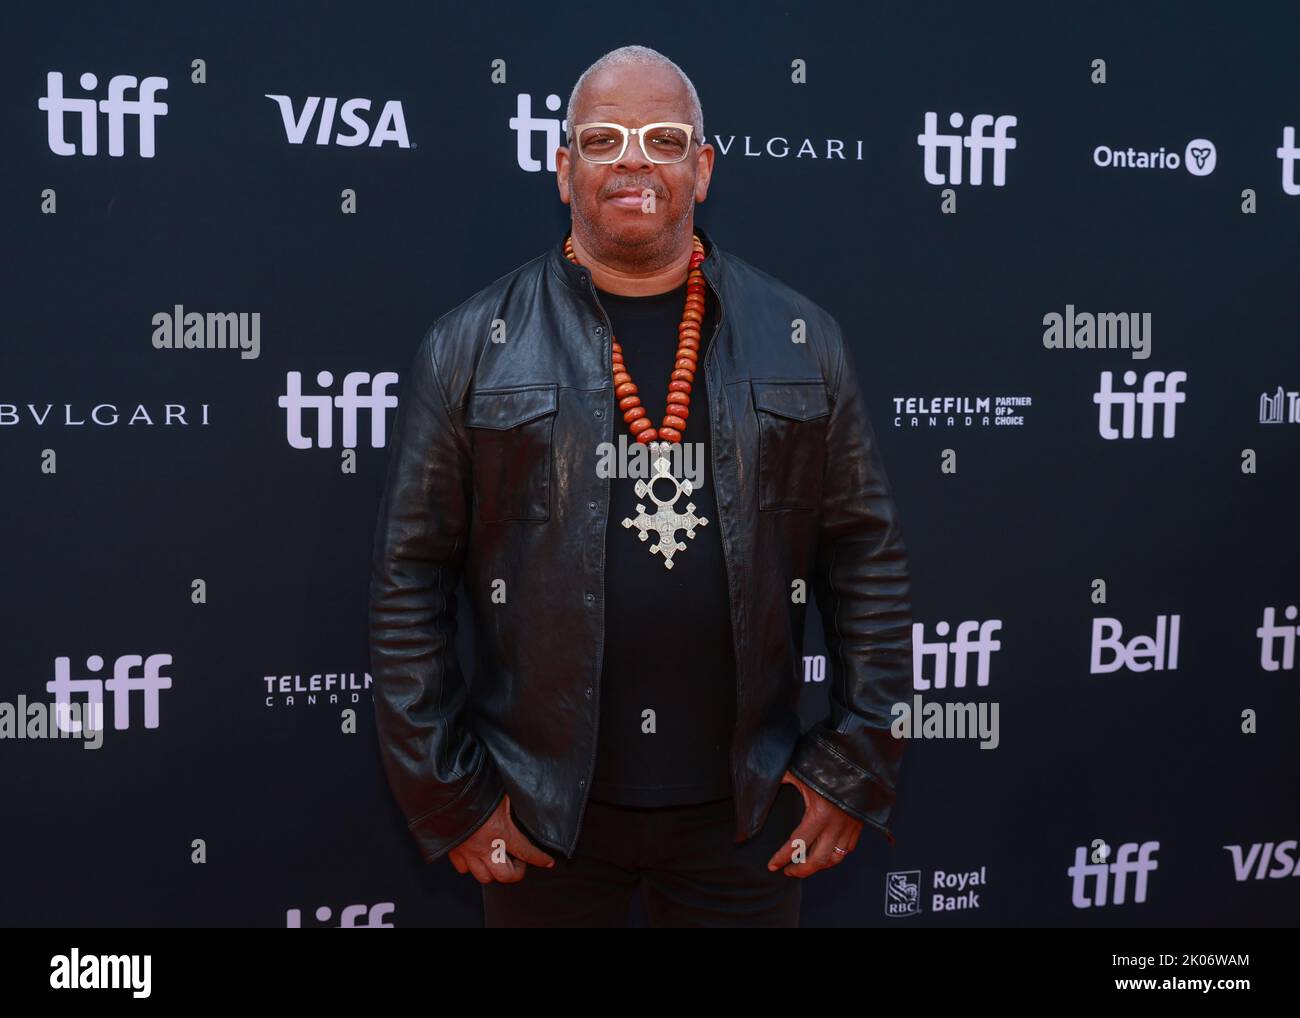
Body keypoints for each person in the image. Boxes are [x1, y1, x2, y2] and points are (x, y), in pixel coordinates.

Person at [368, 44, 912, 927]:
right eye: (601, 139)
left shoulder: (802, 336)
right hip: (540, 815)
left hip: (746, 813)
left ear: (701, 168)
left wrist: (855, 763)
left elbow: (867, 564)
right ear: (562, 169)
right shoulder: (469, 343)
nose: (632, 159)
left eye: (663, 139)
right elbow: (409, 582)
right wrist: (451, 797)